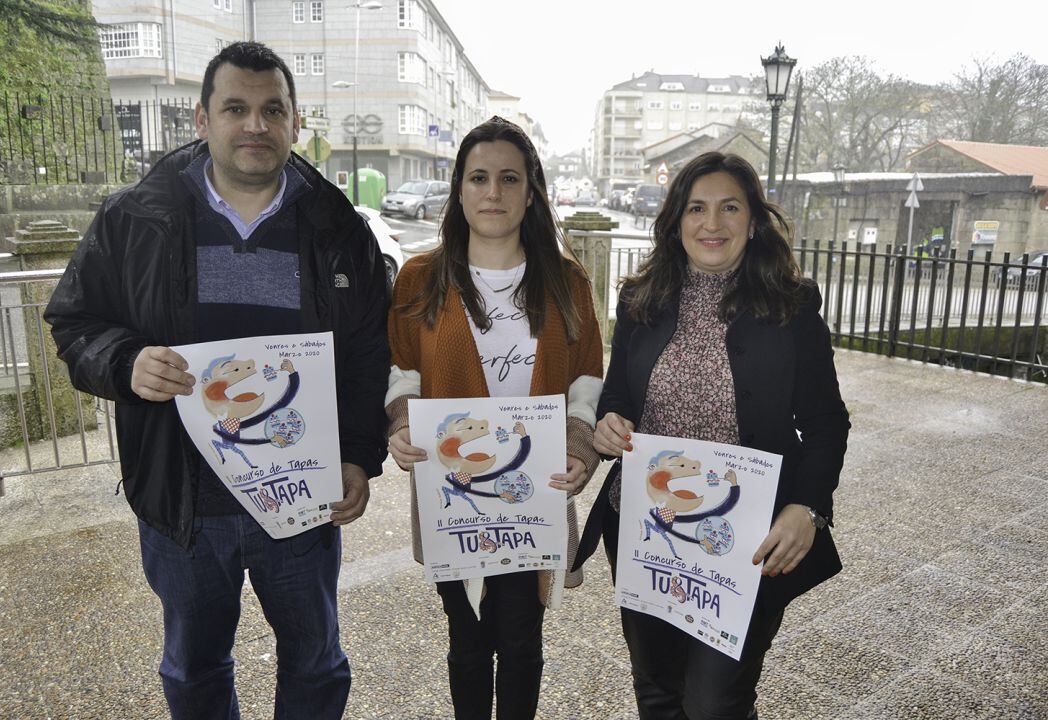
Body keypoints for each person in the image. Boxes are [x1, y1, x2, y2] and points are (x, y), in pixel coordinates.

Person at [44, 42, 389, 720]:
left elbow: (365, 354)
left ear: (296, 121)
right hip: (184, 500)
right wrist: (125, 362)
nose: (254, 125)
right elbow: (74, 321)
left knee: (316, 661)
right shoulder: (133, 219)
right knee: (194, 666)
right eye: (236, 108)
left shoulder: (339, 229)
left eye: (271, 110)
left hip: (300, 498)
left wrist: (356, 456)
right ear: (203, 120)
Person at [577, 151, 850, 720]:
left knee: (714, 702)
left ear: (753, 221)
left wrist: (808, 507)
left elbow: (826, 421)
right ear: (676, 222)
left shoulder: (791, 309)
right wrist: (610, 423)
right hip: (649, 529)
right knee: (656, 691)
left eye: (730, 207)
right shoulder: (639, 301)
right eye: (696, 208)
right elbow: (620, 393)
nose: (712, 223)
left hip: (742, 540)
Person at [384, 116, 604, 720]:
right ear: (458, 189)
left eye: (510, 178)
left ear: (530, 191)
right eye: (479, 177)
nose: (494, 192)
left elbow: (587, 378)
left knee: (522, 636)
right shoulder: (420, 278)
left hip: (534, 493)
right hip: (454, 492)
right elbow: (402, 370)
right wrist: (401, 426)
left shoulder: (566, 281)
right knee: (467, 637)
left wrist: (580, 448)